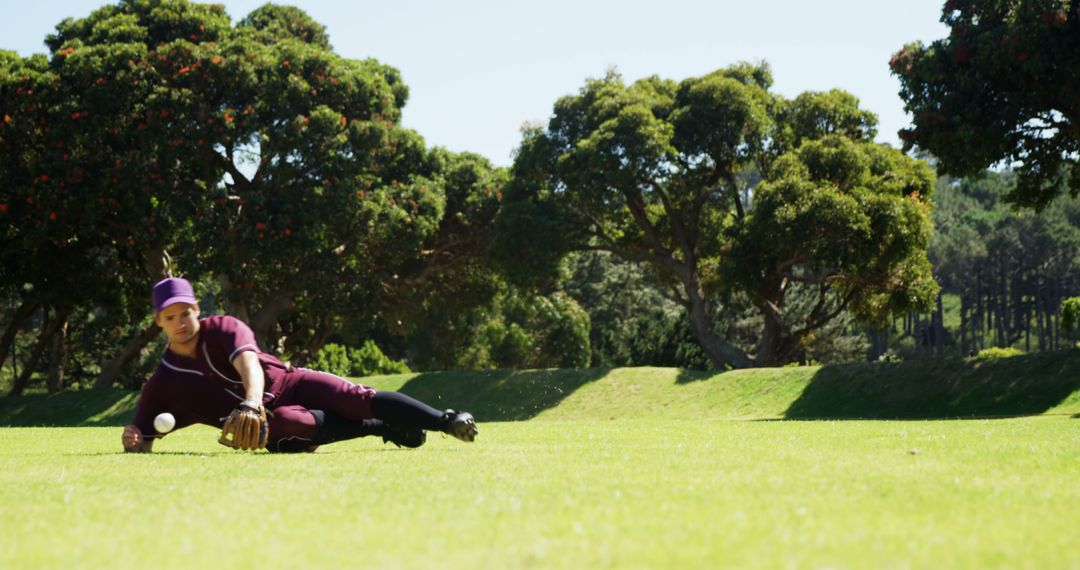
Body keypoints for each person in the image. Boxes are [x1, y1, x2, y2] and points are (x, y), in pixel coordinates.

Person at [121, 277, 478, 453]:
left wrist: (250, 402)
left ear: (197, 309)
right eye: (171, 317)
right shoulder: (163, 381)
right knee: (289, 427)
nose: (181, 321)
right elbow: (142, 434)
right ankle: (382, 426)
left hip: (289, 383)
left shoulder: (224, 327)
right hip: (272, 425)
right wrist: (134, 438)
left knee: (351, 396)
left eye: (186, 312)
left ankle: (446, 420)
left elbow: (249, 365)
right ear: (159, 322)